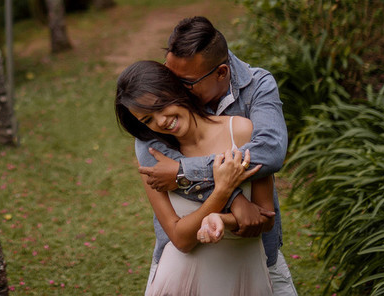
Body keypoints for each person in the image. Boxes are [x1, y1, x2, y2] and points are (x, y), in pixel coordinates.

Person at [136, 17, 299, 295]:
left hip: (255, 252)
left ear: (221, 73)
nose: (172, 89)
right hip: (184, 259)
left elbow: (270, 152)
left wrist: (183, 172)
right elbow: (157, 167)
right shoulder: (162, 104)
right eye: (168, 74)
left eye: (184, 83)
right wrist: (234, 199)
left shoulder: (257, 86)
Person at [116, 60, 274, 295]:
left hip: (245, 275)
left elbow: (266, 219)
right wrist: (222, 193)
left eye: (160, 106)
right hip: (181, 280)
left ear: (176, 88)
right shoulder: (155, 158)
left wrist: (223, 221)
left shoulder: (241, 131)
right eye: (148, 120)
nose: (160, 121)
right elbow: (181, 240)